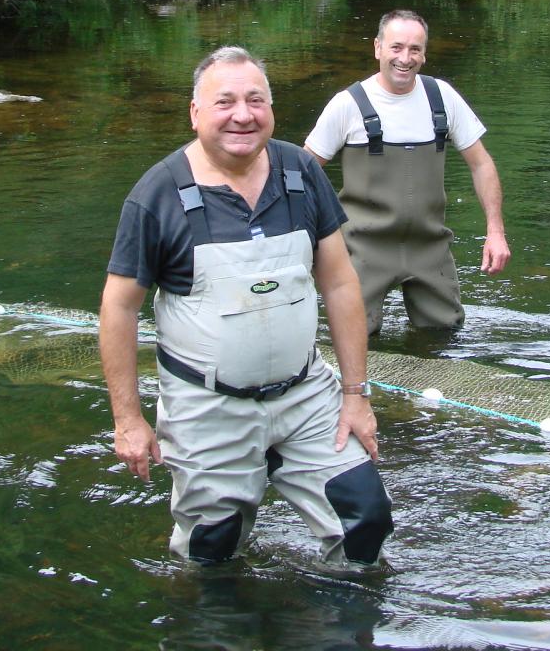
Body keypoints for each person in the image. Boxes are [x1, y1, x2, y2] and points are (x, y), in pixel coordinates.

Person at [98, 46, 393, 566]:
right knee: (213, 555)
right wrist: (129, 420)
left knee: (366, 520)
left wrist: (355, 395)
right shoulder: (157, 194)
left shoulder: (301, 172)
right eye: (224, 101)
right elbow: (118, 310)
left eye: (255, 100)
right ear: (195, 113)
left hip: (306, 397)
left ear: (272, 110)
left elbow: (342, 285)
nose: (242, 115)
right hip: (208, 407)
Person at [304, 10, 509, 338]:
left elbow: (482, 164)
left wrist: (495, 232)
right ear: (378, 48)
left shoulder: (442, 98)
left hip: (430, 247)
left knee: (444, 336)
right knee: (354, 337)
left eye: (415, 49)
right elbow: (305, 171)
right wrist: (310, 239)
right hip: (363, 249)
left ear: (424, 54)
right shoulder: (348, 105)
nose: (405, 58)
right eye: (396, 47)